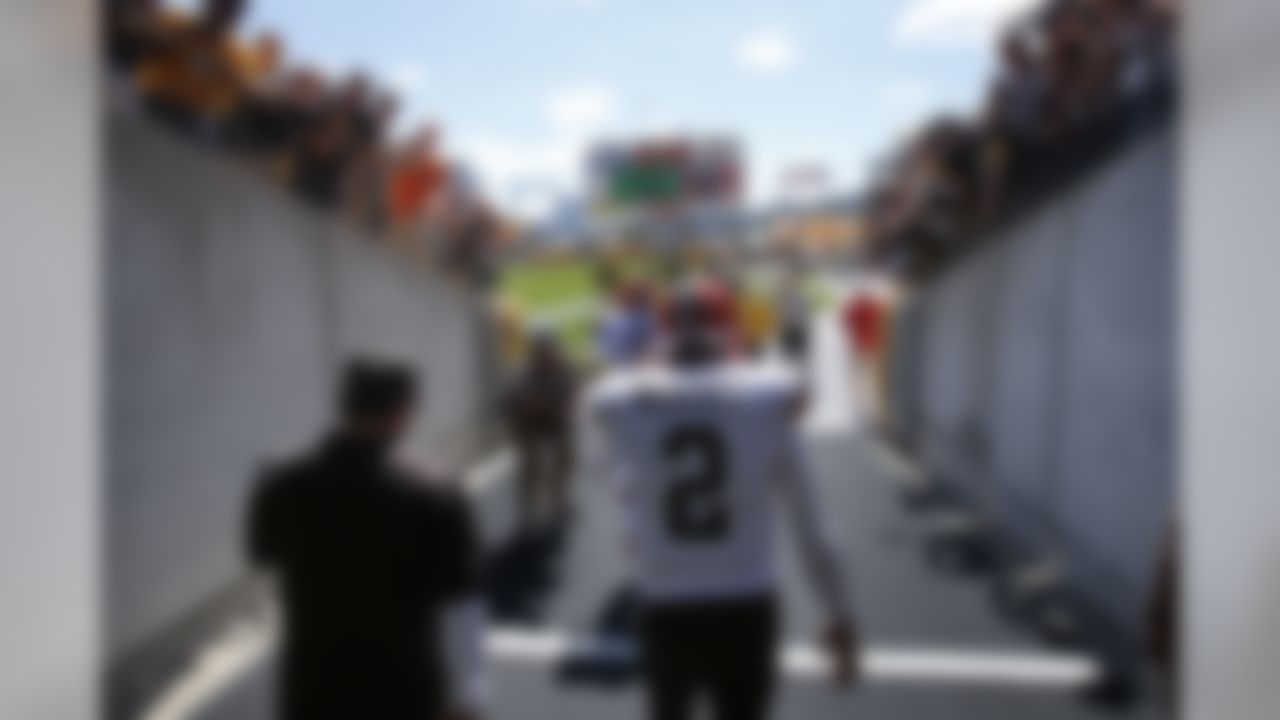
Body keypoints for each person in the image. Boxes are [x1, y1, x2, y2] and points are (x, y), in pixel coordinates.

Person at [583, 283, 860, 720]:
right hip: (745, 603)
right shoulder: (771, 399)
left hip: (666, 605)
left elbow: (598, 465)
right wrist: (839, 614)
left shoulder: (624, 402)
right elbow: (813, 527)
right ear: (732, 332)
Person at [246, 360, 485, 720]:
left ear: (346, 403)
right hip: (404, 689)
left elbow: (264, 557)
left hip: (313, 687)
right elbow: (460, 603)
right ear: (403, 409)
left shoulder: (277, 479)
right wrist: (466, 696)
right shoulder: (436, 491)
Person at [505, 332, 579, 528]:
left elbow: (572, 397)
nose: (546, 357)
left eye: (549, 352)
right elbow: (517, 404)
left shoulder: (563, 370)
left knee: (566, 457)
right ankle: (528, 508)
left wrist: (566, 408)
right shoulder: (523, 374)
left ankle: (557, 497)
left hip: (554, 417)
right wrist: (534, 405)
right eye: (541, 352)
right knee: (531, 463)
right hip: (526, 421)